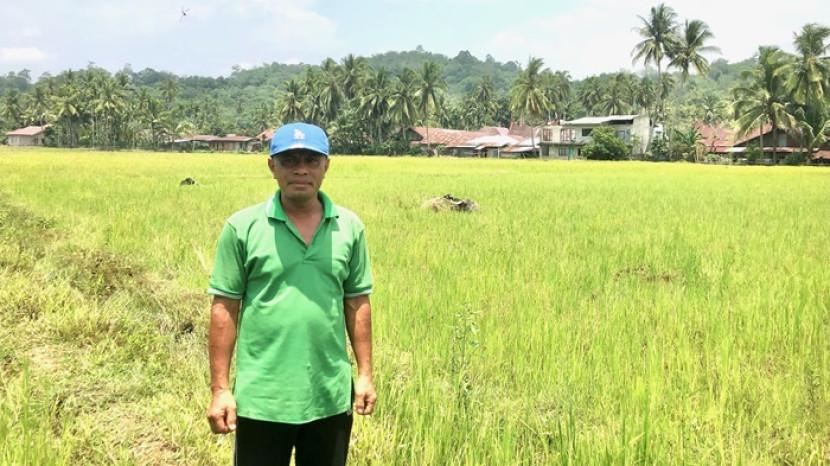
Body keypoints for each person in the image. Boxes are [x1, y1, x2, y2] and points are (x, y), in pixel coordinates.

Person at [206, 122, 376, 466]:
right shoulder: (242, 227)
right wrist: (220, 390)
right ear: (272, 166)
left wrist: (365, 375)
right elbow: (225, 308)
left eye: (311, 160)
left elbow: (357, 303)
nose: (301, 169)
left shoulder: (348, 227)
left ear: (326, 165)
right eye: (289, 160)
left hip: (329, 395)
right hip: (263, 397)